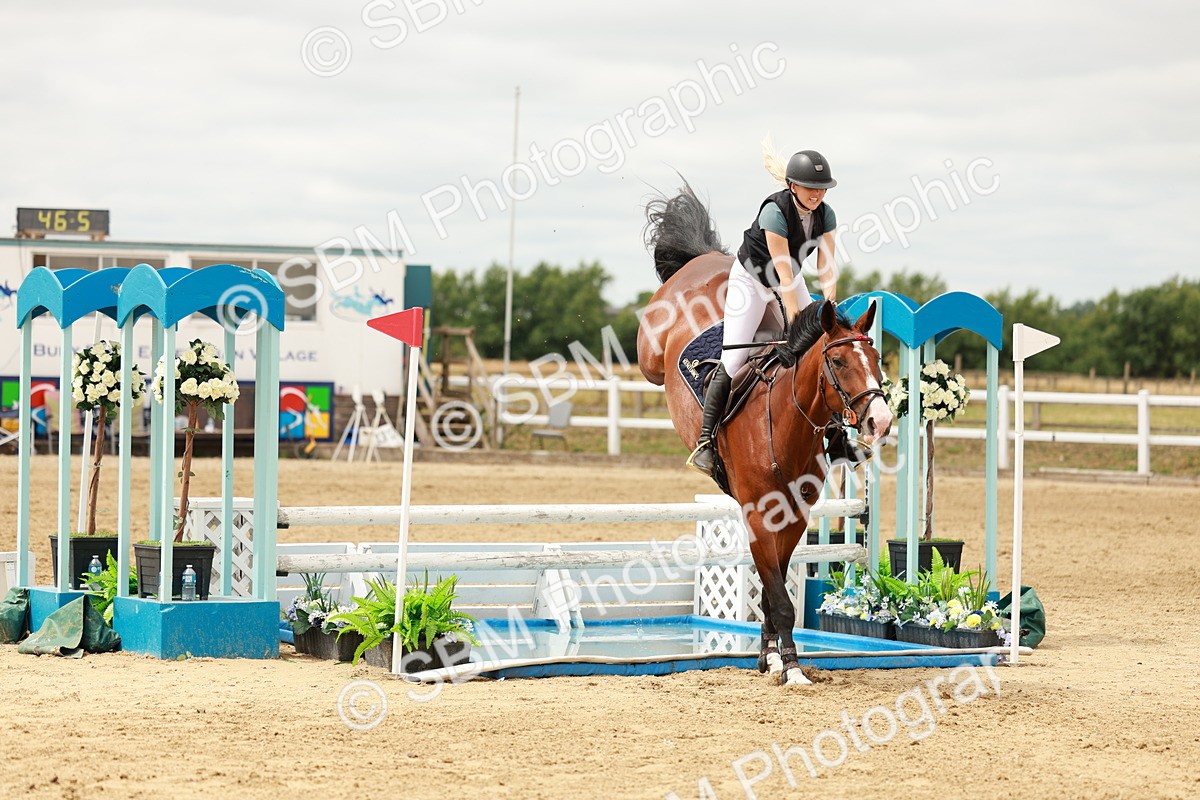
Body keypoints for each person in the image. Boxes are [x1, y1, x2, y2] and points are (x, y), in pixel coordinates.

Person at [686, 147, 842, 476]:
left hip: (790, 278)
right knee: (733, 359)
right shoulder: (774, 212)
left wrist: (829, 304)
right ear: (792, 187)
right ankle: (706, 441)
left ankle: (837, 434)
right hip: (752, 282)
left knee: (820, 350)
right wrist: (802, 327)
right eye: (811, 187)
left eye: (821, 188)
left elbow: (826, 264)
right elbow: (783, 274)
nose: (817, 194)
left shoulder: (826, 215)